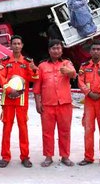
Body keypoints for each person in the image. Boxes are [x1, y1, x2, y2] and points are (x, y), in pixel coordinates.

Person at [33, 39, 77, 167]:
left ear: (62, 50)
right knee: (47, 132)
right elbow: (37, 87)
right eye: (53, 48)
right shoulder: (42, 66)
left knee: (65, 131)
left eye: (58, 48)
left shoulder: (67, 63)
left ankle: (65, 156)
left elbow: (74, 74)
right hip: (47, 104)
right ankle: (48, 156)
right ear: (49, 50)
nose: (56, 50)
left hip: (65, 104)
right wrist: (38, 103)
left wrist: (68, 72)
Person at [0, 35, 39, 168]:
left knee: (23, 128)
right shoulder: (4, 61)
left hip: (21, 100)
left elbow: (34, 78)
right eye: (14, 43)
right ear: (10, 45)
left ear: (22, 46)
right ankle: (5, 156)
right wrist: (9, 90)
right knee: (6, 128)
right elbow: (1, 78)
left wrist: (33, 68)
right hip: (8, 99)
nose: (16, 46)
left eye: (18, 44)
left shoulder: (27, 62)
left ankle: (25, 156)